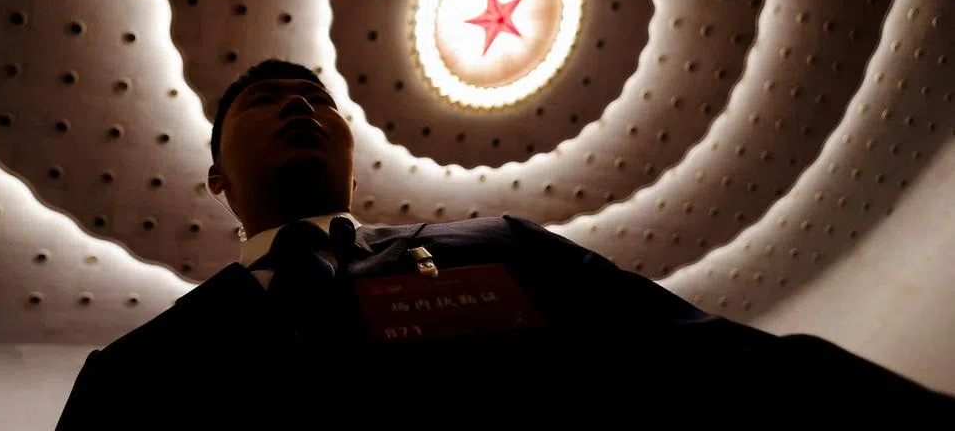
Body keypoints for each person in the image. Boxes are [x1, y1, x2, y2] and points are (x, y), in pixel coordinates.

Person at [55, 58, 954, 426]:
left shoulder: (494, 247)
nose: (300, 104)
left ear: (354, 160)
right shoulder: (137, 371)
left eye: (319, 98)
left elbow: (705, 366)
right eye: (264, 99)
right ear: (215, 177)